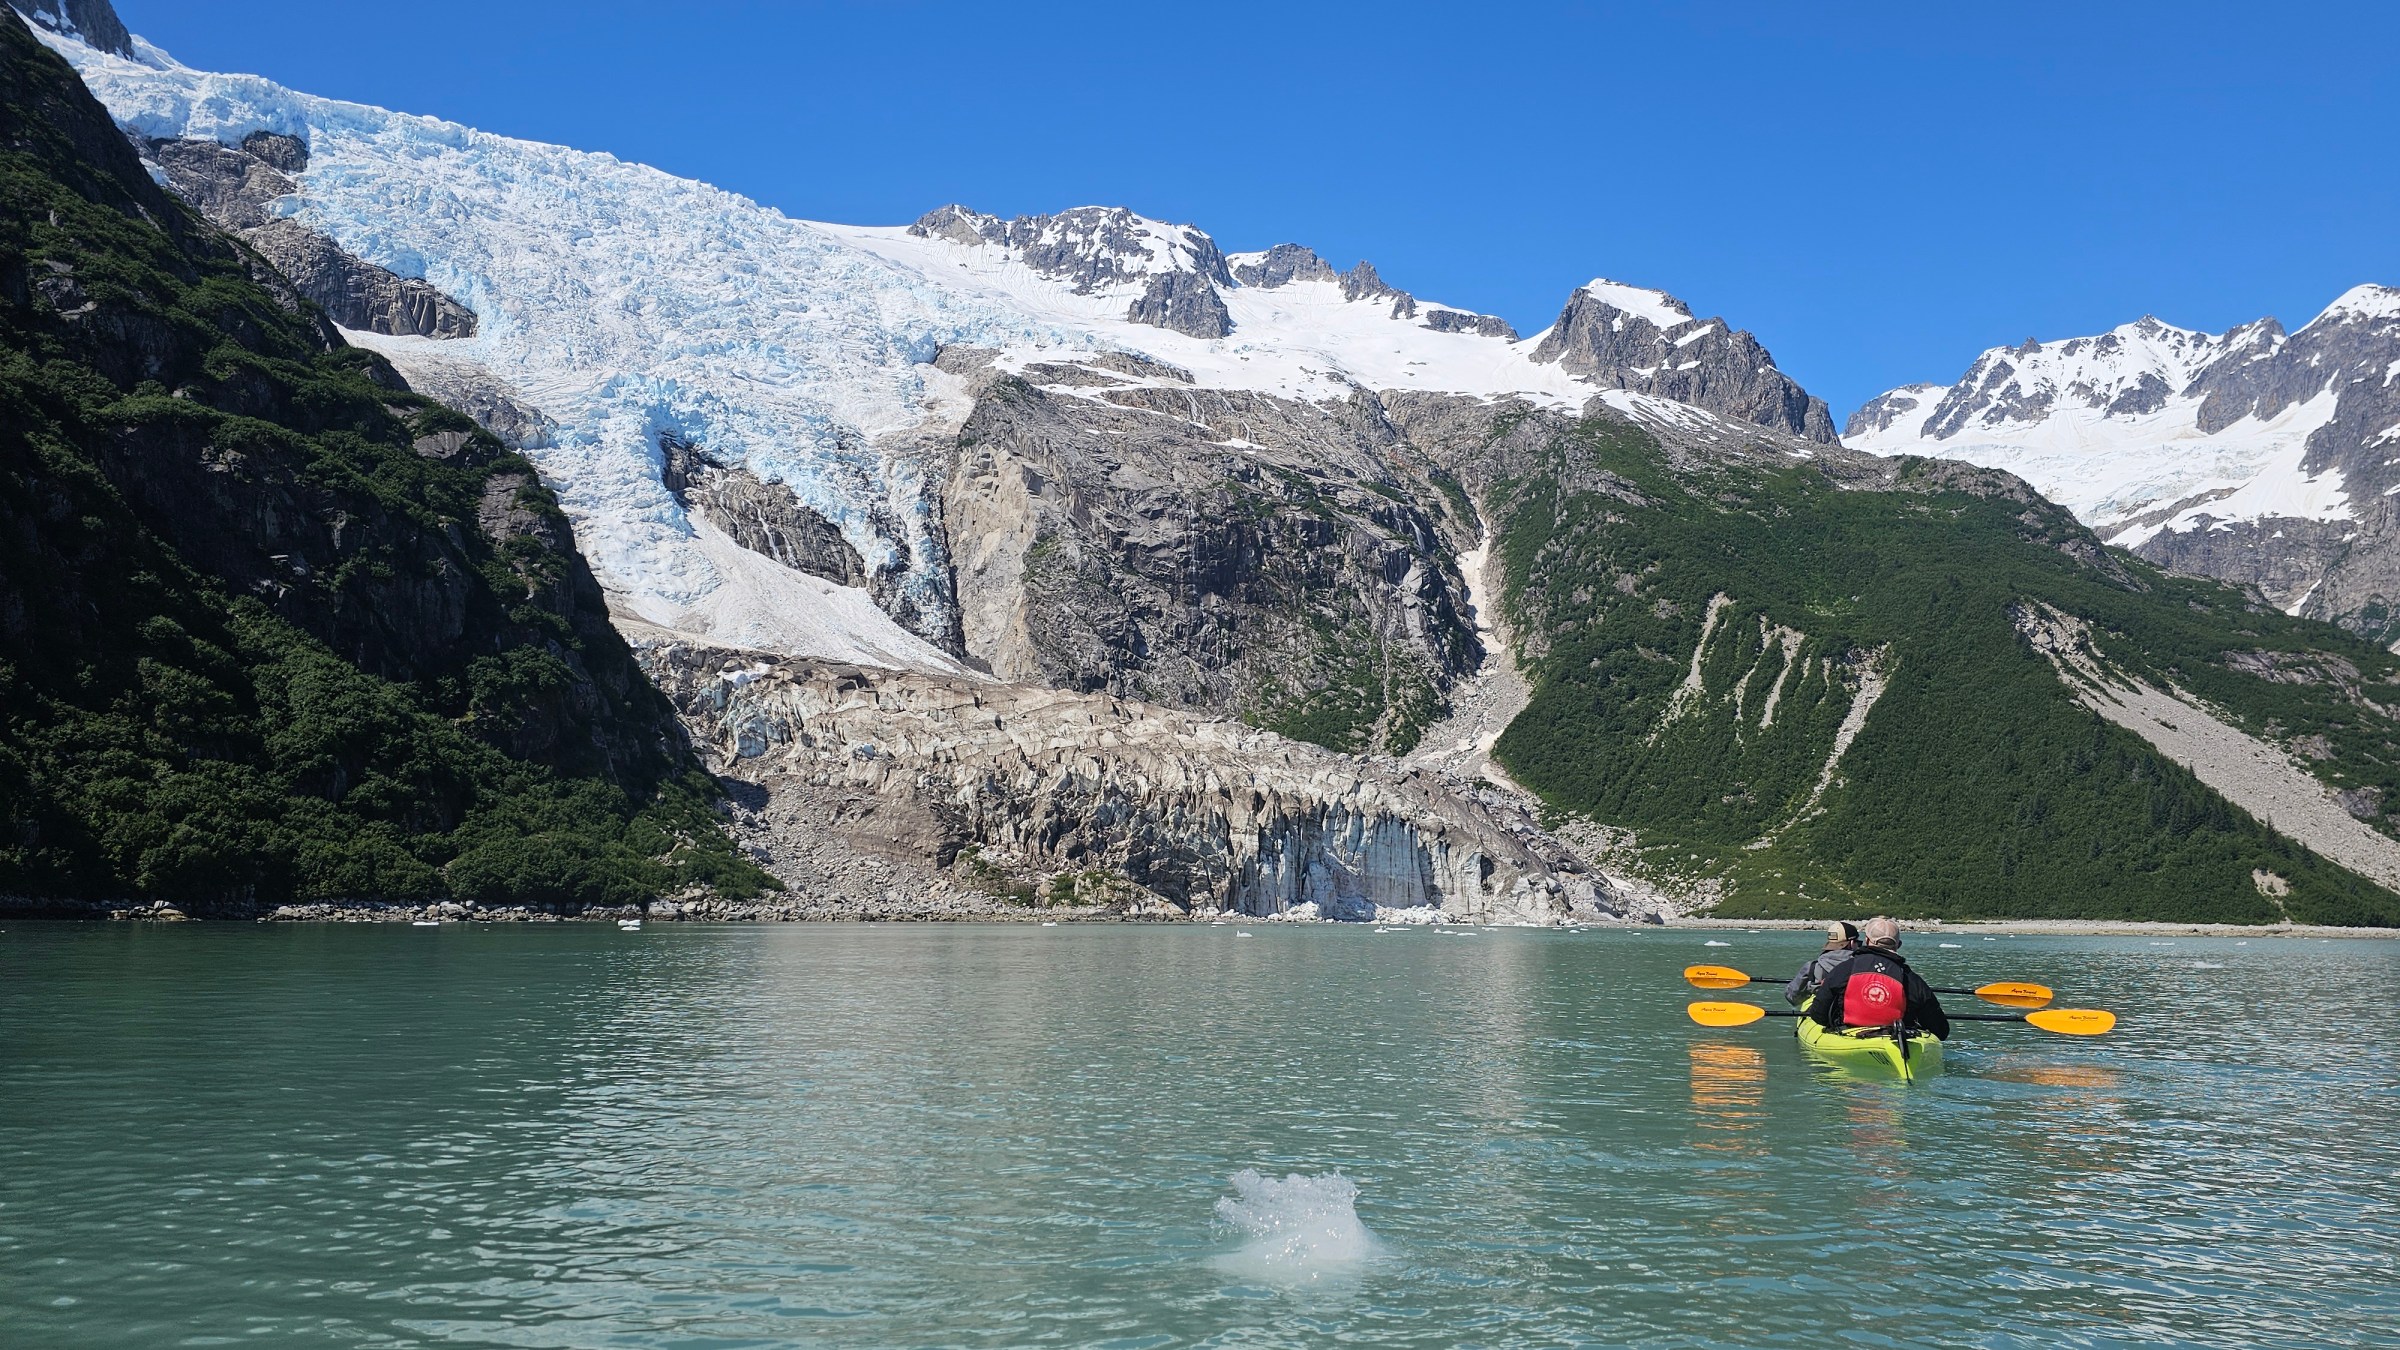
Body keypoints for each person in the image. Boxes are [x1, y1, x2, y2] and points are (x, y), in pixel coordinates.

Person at [1806, 916, 1950, 1039]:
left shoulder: (1843, 970)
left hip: (1850, 1035)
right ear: (1898, 945)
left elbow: (1819, 1015)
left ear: (1867, 941)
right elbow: (1941, 1031)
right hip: (1895, 1037)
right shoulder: (1911, 979)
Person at [1784, 922, 1858, 1006]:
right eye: (1858, 942)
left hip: (1821, 1016)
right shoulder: (1863, 965)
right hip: (1852, 1016)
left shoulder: (1813, 967)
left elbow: (1792, 997)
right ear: (1851, 943)